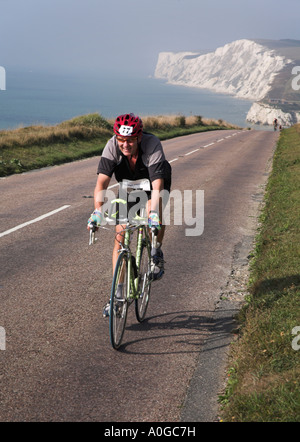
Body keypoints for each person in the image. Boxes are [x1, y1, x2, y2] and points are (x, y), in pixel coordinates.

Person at [88, 113, 172, 317]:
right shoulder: (111, 146)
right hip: (130, 186)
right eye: (121, 140)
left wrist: (152, 212)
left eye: (130, 140)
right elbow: (102, 183)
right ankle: (116, 295)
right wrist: (98, 211)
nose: (125, 144)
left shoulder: (152, 144)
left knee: (155, 217)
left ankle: (156, 251)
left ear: (139, 137)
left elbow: (157, 185)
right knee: (120, 236)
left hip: (154, 183)